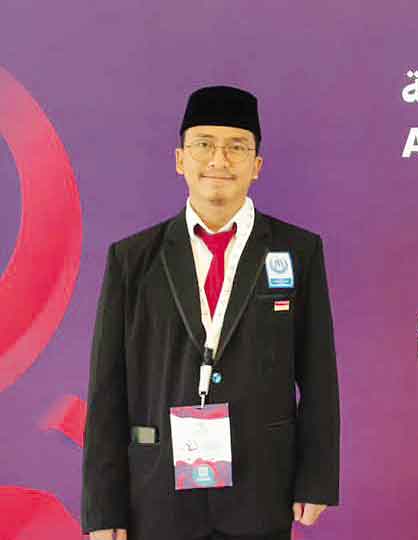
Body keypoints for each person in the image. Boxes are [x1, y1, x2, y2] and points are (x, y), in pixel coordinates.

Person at [81, 86, 340, 540]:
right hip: (158, 495)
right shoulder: (133, 259)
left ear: (256, 165)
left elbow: (319, 374)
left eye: (236, 147)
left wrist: (316, 478)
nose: (219, 160)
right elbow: (107, 389)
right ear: (180, 159)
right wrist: (103, 511)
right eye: (204, 144)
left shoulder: (298, 251)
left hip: (261, 490)